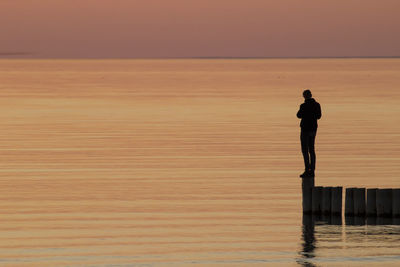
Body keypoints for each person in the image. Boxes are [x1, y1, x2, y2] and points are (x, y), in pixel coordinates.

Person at [297, 90, 321, 177]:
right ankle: (312, 170)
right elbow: (319, 116)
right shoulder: (317, 105)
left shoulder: (303, 106)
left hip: (305, 129)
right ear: (311, 95)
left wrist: (306, 114)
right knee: (311, 149)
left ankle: (307, 170)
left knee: (305, 150)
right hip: (313, 129)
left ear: (304, 96)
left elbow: (298, 115)